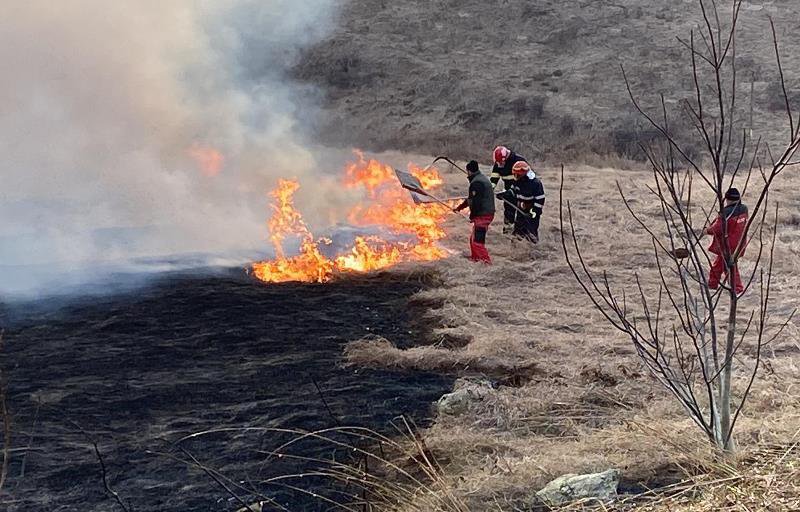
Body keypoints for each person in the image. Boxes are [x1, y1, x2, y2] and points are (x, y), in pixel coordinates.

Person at [705, 187, 748, 295]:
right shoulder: (744, 209)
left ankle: (735, 289)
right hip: (739, 245)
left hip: (726, 247)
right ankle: (714, 286)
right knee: (725, 266)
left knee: (725, 267)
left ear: (727, 199)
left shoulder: (725, 213)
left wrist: (707, 230)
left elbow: (717, 229)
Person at [454, 160, 496, 263]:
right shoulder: (479, 179)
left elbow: (476, 202)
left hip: (483, 215)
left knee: (478, 242)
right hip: (484, 213)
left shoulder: (477, 183)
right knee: (473, 239)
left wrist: (472, 216)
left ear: (469, 171)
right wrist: (459, 208)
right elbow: (471, 199)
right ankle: (476, 259)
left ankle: (486, 263)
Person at [490, 145, 528, 233]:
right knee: (508, 213)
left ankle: (521, 236)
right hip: (508, 193)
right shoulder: (498, 163)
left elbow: (524, 182)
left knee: (521, 214)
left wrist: (509, 192)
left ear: (506, 157)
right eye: (498, 163)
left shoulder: (519, 161)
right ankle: (507, 232)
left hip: (522, 194)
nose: (500, 165)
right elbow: (494, 179)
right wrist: (489, 189)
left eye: (501, 163)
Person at [509, 160, 545, 242]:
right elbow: (513, 191)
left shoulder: (535, 183)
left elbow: (540, 201)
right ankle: (515, 249)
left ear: (523, 175)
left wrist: (533, 213)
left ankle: (533, 250)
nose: (515, 176)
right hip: (521, 210)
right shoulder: (517, 181)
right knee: (517, 233)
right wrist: (505, 194)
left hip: (532, 212)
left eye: (517, 175)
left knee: (531, 234)